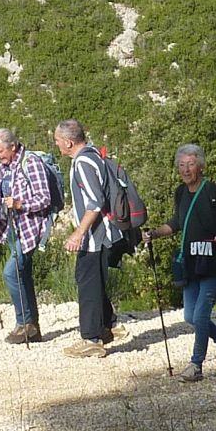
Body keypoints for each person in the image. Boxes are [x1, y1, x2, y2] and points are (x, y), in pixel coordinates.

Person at [143, 143, 216, 382]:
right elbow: (177, 223)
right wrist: (155, 234)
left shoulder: (215, 193)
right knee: (189, 316)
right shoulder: (180, 192)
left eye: (190, 165)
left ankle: (195, 365)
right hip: (191, 263)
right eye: (181, 165)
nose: (186, 170)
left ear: (201, 166)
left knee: (199, 316)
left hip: (214, 264)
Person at [0, 128, 53, 344]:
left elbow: (44, 199)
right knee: (22, 274)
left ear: (13, 146)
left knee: (10, 273)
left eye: (0, 152)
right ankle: (32, 327)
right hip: (10, 228)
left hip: (30, 228)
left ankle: (24, 323)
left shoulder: (31, 163)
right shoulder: (4, 166)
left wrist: (20, 204)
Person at [54, 119, 125, 358]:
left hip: (96, 235)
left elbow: (95, 202)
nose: (56, 145)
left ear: (68, 141)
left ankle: (91, 339)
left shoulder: (83, 162)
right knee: (93, 280)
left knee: (87, 283)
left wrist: (78, 233)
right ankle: (108, 326)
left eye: (57, 140)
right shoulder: (94, 155)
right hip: (104, 233)